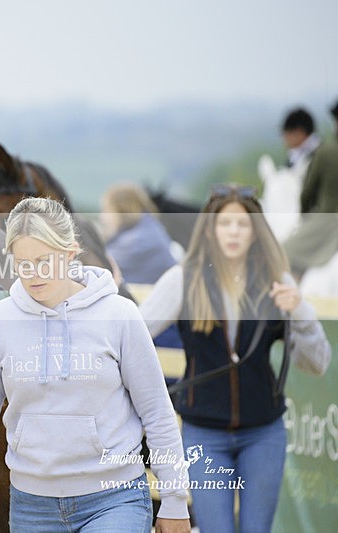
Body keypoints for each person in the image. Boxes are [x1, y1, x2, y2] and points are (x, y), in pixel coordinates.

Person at [0, 197, 190, 533]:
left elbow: (157, 413)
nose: (34, 275)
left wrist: (175, 500)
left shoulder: (119, 316)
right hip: (32, 506)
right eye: (23, 264)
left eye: (44, 261)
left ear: (70, 252)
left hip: (114, 500)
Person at [139, 184, 331, 532]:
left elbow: (317, 363)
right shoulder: (184, 279)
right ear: (210, 229)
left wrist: (300, 311)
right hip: (204, 432)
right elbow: (134, 336)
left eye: (242, 224)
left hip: (264, 431)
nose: (233, 232)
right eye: (224, 223)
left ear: (256, 231)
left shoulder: (277, 281)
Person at [100, 182, 183, 350]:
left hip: (161, 335)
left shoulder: (139, 241)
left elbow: (99, 266)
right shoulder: (147, 229)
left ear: (121, 210)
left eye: (107, 210)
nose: (103, 217)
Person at [282, 101, 338, 279]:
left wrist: (306, 218)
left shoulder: (327, 152)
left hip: (328, 222)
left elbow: (307, 194)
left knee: (284, 253)